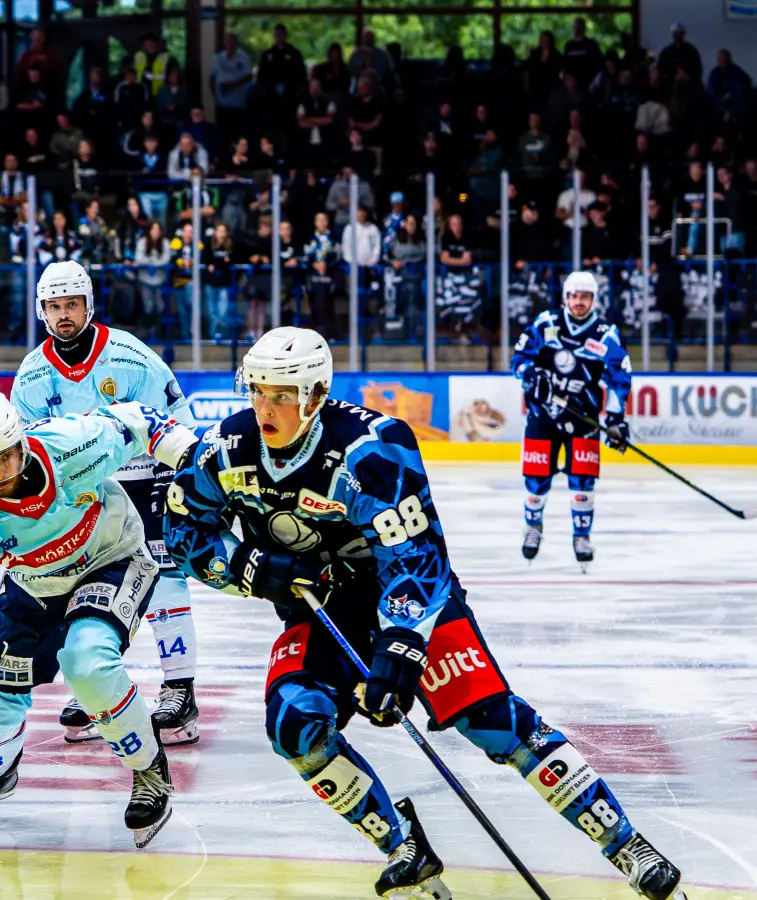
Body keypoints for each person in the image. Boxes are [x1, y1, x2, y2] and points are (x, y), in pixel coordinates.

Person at [163, 327, 683, 900]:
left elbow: (414, 558)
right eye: (258, 391)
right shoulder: (227, 448)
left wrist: (400, 648)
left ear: (314, 395)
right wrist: (247, 566)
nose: (266, 407)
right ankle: (403, 846)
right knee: (294, 725)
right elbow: (183, 530)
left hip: (412, 603)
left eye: (282, 395)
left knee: (493, 722)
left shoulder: (371, 448)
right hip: (321, 613)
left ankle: (626, 844)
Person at [0, 390, 198, 848]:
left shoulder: (72, 442)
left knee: (87, 663)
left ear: (21, 444)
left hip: (112, 556)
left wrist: (193, 458)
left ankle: (149, 768)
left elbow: (141, 420)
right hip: (33, 582)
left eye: (5, 456)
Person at [4, 261, 202, 744]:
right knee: (85, 586)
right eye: (54, 306)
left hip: (143, 476)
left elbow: (176, 419)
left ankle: (180, 688)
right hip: (82, 493)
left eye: (72, 304)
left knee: (164, 579)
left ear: (89, 305)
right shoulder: (32, 374)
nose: (64, 314)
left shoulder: (131, 358)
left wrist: (175, 476)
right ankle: (101, 690)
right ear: (41, 311)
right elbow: (29, 448)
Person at [511, 272, 632, 566]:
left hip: (584, 421)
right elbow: (519, 360)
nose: (578, 302)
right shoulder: (546, 324)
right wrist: (531, 377)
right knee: (536, 482)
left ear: (593, 299)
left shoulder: (605, 335)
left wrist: (616, 420)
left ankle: (581, 536)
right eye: (574, 296)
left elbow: (619, 379)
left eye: (585, 296)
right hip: (543, 417)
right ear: (565, 297)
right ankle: (532, 527)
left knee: (582, 483)